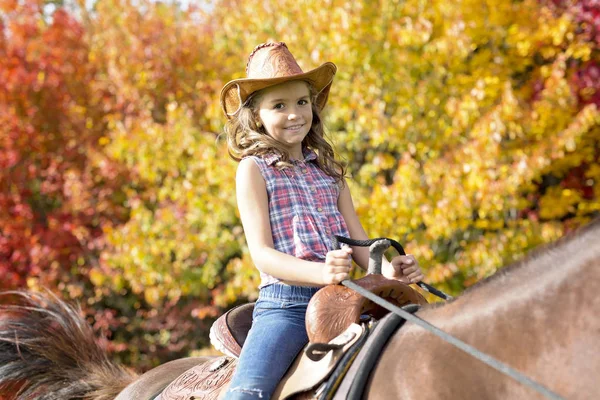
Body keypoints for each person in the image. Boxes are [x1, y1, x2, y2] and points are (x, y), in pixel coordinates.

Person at [220, 41, 424, 400]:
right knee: (246, 395)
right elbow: (263, 255)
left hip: (345, 299)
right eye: (278, 105)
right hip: (285, 306)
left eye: (302, 102)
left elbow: (362, 247)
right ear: (256, 116)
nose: (294, 113)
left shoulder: (330, 173)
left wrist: (390, 272)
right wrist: (321, 273)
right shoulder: (253, 170)